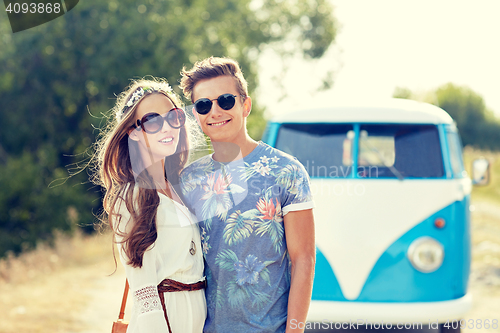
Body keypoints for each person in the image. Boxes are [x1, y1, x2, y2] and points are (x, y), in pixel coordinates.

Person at [179, 57, 316, 332]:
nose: (215, 111)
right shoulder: (189, 179)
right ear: (196, 115)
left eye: (225, 100)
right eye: (204, 105)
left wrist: (295, 330)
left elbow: (304, 258)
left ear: (245, 105)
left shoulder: (286, 171)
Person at [93, 78, 206, 333]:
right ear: (133, 132)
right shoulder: (132, 196)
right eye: (153, 121)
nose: (167, 128)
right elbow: (144, 295)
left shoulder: (181, 188)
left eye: (174, 117)